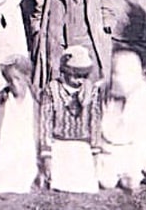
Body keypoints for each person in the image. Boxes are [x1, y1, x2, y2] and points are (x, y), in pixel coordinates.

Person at [38, 45, 103, 193]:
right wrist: (47, 155)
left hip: (82, 144)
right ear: (65, 72)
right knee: (59, 180)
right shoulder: (52, 89)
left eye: (84, 76)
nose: (80, 80)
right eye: (76, 75)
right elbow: (46, 122)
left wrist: (95, 152)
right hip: (59, 144)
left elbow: (95, 122)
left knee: (86, 182)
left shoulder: (91, 91)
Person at [96, 49, 146, 191]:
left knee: (134, 179)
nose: (116, 78)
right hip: (108, 150)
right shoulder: (102, 90)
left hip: (133, 149)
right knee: (106, 182)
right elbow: (97, 124)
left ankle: (131, 173)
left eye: (121, 74)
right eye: (114, 73)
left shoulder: (144, 95)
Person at [0, 55, 38, 194]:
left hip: (28, 147)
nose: (14, 84)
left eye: (17, 79)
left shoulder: (37, 100)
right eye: (9, 80)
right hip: (6, 147)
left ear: (27, 78)